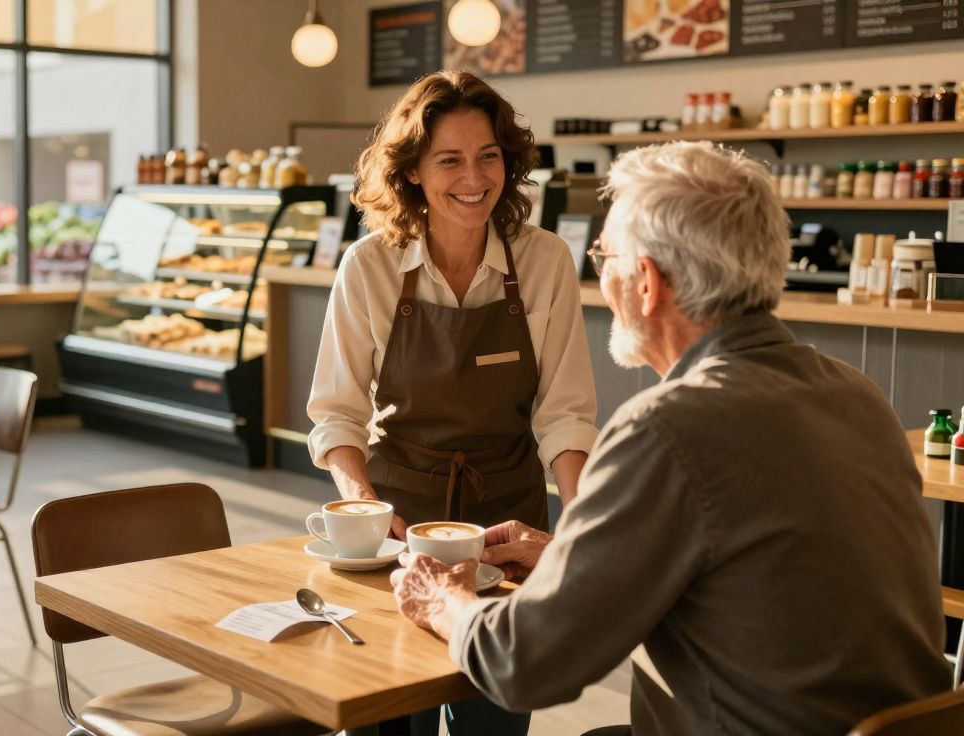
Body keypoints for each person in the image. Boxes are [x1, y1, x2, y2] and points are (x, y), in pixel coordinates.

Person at [390, 140, 952, 735]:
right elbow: (750, 576)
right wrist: (570, 558)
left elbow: (523, 665)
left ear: (648, 283)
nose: (601, 274)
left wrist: (443, 600)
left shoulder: (666, 426)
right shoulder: (856, 394)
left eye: (605, 255)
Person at [307, 68, 599, 736]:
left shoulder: (544, 261)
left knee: (493, 716)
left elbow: (564, 413)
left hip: (507, 528)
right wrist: (364, 507)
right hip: (396, 530)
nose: (474, 177)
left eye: (489, 156)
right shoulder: (370, 266)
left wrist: (581, 528)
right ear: (412, 171)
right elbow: (336, 412)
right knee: (390, 718)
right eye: (450, 160)